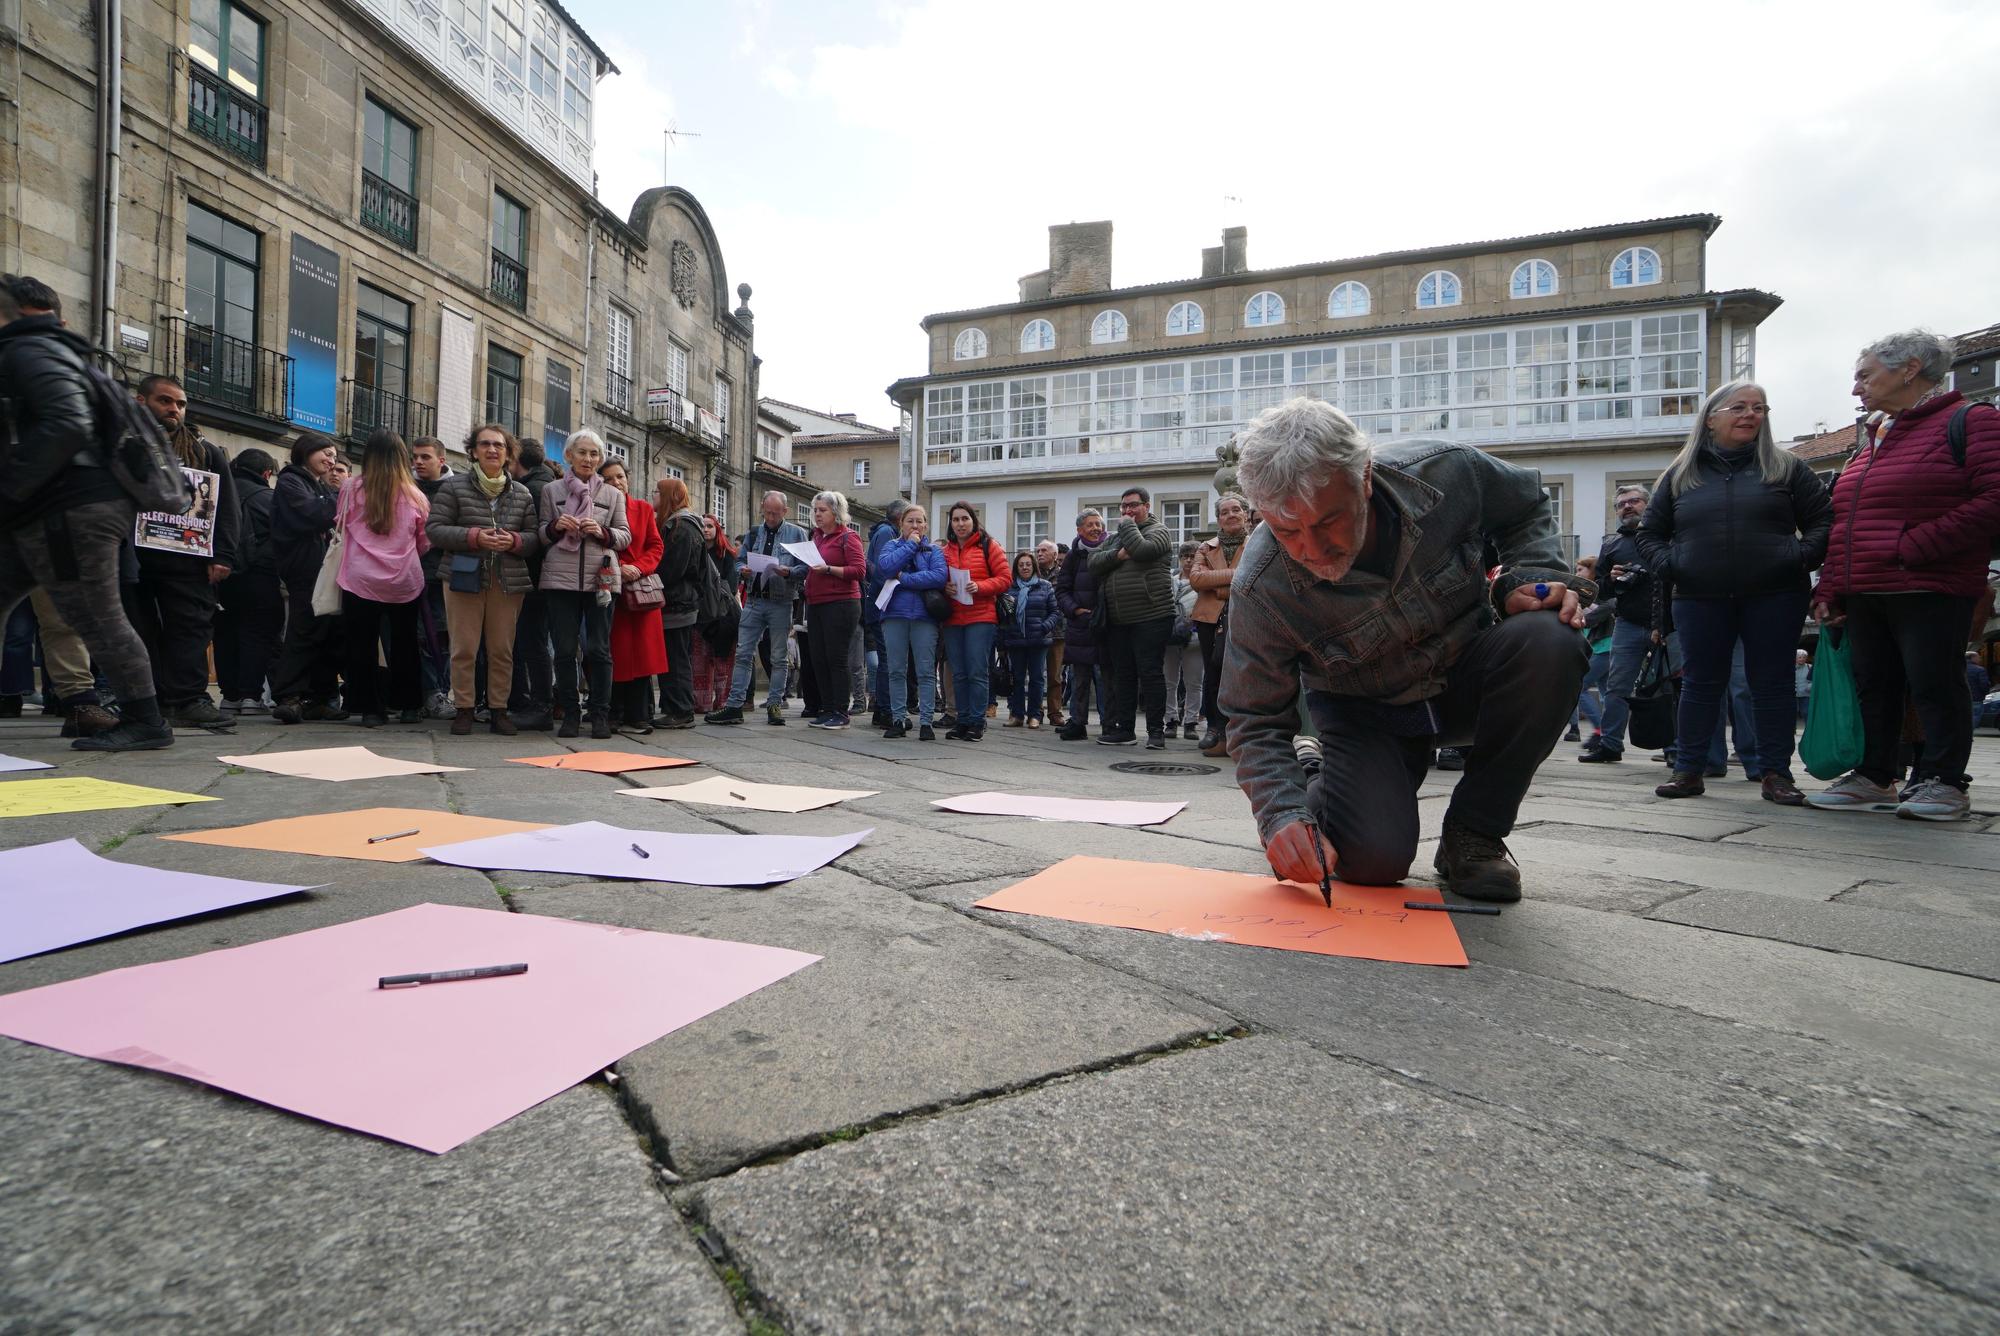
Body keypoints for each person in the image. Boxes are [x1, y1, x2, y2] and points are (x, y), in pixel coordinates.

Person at [1222, 398, 1589, 904]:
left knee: (1551, 640)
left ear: (1365, 477)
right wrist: (1280, 813)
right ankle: (1315, 775)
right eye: (1286, 531)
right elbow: (1252, 715)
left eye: (1329, 520)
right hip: (1367, 717)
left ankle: (1475, 834)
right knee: (1373, 862)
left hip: (1468, 678)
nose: (1311, 548)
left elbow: (1525, 504)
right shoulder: (1261, 587)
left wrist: (1528, 578)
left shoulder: (1446, 472)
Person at [1808, 330, 2000, 821]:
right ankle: (1876, 774)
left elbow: (1994, 499)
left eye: (1865, 376)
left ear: (1910, 369)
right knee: (1874, 683)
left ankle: (1944, 781)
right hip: (1867, 588)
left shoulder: (1971, 421)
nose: (1857, 389)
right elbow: (1846, 523)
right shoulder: (1871, 440)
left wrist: (1912, 546)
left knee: (1935, 681)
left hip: (1929, 583)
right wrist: (1831, 588)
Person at [1637, 381, 1831, 805]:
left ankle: (1775, 773)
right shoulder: (1680, 473)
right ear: (1711, 418)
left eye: (1759, 407)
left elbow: (1823, 521)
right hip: (1698, 595)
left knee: (1772, 684)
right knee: (1700, 684)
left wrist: (1797, 556)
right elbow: (1649, 534)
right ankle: (1689, 769)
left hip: (1776, 592)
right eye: (1739, 407)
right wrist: (1673, 565)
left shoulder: (1787, 467)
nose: (1751, 415)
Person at [0, 272, 172, 750]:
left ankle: (147, 721)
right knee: (91, 614)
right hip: (52, 507)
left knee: (96, 615)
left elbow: (66, 423)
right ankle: (145, 718)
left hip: (68, 508)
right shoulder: (52, 350)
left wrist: (11, 490)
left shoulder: (30, 350)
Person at [125, 374, 240, 728]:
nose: (174, 409)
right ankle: (151, 700)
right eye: (165, 401)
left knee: (190, 629)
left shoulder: (204, 452)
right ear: (142, 402)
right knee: (137, 629)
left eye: (180, 404)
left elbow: (227, 506)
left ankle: (190, 699)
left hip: (189, 558)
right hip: (132, 558)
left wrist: (223, 555)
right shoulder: (122, 445)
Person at [427, 423, 537, 736]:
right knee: (464, 648)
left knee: (502, 650)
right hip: (463, 579)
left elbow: (533, 538)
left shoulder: (523, 493)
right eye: (485, 444)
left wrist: (513, 542)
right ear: (473, 451)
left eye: (498, 446)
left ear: (508, 454)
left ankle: (499, 710)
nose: (492, 450)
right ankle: (463, 708)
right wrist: (475, 537)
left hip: (507, 581)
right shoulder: (454, 487)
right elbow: (435, 530)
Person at [536, 429, 629, 739]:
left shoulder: (613, 494)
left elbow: (624, 536)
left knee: (599, 650)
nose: (588, 459)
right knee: (563, 651)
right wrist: (554, 526)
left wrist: (602, 533)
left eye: (594, 454)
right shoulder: (551, 490)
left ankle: (600, 714)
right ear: (568, 456)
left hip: (600, 580)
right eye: (583, 452)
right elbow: (540, 535)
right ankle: (570, 715)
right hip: (559, 580)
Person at [335, 430, 430, 728]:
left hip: (359, 577)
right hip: (404, 578)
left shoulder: (351, 488)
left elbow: (340, 526)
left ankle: (369, 708)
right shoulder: (415, 495)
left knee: (361, 644)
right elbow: (424, 540)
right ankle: (409, 705)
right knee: (405, 643)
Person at [708, 491, 807, 726]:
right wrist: (742, 569)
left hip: (781, 601)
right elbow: (738, 561)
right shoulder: (754, 532)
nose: (770, 517)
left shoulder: (796, 533)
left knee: (778, 657)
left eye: (775, 513)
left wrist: (789, 571)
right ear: (762, 508)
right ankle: (734, 705)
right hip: (754, 599)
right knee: (743, 653)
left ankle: (774, 704)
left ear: (785, 511)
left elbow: (806, 568)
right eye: (767, 512)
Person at [1088, 486, 1176, 748]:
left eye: (1133, 505)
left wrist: (1126, 527)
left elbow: (1142, 550)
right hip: (1119, 619)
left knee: (1150, 673)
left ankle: (1156, 732)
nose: (1127, 511)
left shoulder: (1159, 531)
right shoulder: (1116, 539)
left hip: (1152, 615)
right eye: (1123, 507)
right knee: (1123, 676)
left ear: (1147, 506)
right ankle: (1124, 730)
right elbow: (1093, 562)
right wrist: (1117, 554)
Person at [269, 432, 346, 724]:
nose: (331, 460)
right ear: (306, 452)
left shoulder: (317, 485)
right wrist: (344, 497)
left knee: (325, 630)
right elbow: (314, 514)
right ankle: (290, 695)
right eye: (326, 453)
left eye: (334, 456)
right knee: (304, 628)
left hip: (321, 568)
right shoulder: (292, 482)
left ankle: (319, 696)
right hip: (304, 568)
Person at [214, 447, 282, 714]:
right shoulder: (269, 498)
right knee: (258, 634)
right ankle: (250, 696)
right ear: (266, 473)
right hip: (260, 577)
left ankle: (229, 696)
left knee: (225, 633)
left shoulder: (218, 493)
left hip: (222, 575)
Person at [873, 504, 947, 739]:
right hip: (895, 615)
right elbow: (885, 568)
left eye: (919, 522)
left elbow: (938, 576)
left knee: (926, 671)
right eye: (910, 521)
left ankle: (926, 722)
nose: (915, 526)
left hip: (924, 617)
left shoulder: (934, 551)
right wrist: (911, 545)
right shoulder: (891, 546)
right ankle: (898, 718)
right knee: (896, 669)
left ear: (926, 525)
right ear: (901, 524)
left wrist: (904, 578)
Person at [940, 501, 1011, 741]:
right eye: (956, 519)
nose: (960, 524)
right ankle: (963, 719)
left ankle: (977, 722)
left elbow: (1005, 579)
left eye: (965, 519)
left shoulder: (989, 545)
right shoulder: (946, 550)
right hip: (953, 618)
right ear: (950, 523)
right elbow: (937, 577)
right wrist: (944, 587)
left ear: (973, 521)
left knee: (977, 671)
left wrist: (979, 586)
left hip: (981, 616)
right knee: (958, 673)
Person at [1189, 492, 1250, 756]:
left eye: (1236, 509)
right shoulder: (1206, 547)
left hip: (1244, 617)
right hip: (1208, 618)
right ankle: (1214, 727)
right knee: (1212, 672)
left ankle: (1239, 730)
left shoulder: (1256, 542)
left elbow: (1255, 577)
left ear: (1245, 514)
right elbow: (1197, 580)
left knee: (1239, 674)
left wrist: (1220, 586)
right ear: (1218, 519)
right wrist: (1234, 578)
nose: (1231, 515)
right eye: (1225, 512)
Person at [800, 490, 865, 729]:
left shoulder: (848, 537)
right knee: (819, 658)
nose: (817, 514)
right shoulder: (817, 538)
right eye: (815, 510)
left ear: (836, 512)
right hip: (816, 603)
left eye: (822, 510)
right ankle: (827, 709)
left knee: (836, 658)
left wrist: (828, 569)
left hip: (841, 604)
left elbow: (859, 571)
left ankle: (840, 711)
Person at [507, 438, 559, 728]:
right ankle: (538, 703)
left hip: (534, 577)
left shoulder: (533, 490)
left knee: (532, 643)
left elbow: (536, 537)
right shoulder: (548, 483)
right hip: (543, 578)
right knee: (536, 643)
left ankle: (540, 706)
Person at [408, 436, 456, 720]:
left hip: (443, 573)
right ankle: (426, 692)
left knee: (440, 636)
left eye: (425, 457)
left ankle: (439, 691)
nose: (418, 462)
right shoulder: (406, 487)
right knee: (418, 637)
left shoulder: (456, 488)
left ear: (441, 460)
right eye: (415, 457)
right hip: (409, 573)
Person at [648, 474, 702, 729]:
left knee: (676, 658)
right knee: (671, 657)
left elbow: (672, 570)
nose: (653, 497)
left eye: (658, 492)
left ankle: (681, 711)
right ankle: (673, 707)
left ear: (670, 496)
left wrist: (647, 575)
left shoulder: (683, 526)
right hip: (675, 603)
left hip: (678, 604)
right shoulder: (675, 524)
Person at [1054, 509, 1107, 741]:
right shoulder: (1074, 556)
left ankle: (1109, 722)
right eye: (1090, 524)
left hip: (1106, 624)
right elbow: (1062, 590)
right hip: (1080, 624)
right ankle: (1077, 722)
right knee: (1080, 677)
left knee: (1106, 677)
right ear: (1079, 530)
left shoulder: (1111, 550)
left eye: (1098, 524)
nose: (1095, 528)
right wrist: (1074, 609)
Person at [861, 498, 914, 726]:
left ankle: (882, 710)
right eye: (909, 520)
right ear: (900, 519)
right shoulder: (886, 533)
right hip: (882, 604)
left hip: (880, 603)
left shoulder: (883, 531)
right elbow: (882, 569)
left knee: (887, 659)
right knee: (887, 659)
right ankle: (884, 710)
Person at [999, 550, 1059, 728]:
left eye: (1028, 564)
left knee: (1037, 678)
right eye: (1021, 564)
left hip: (1038, 640)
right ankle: (1017, 714)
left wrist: (1044, 627)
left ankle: (1035, 715)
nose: (1025, 567)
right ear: (1016, 568)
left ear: (1033, 567)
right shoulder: (1009, 588)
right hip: (1016, 639)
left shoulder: (1045, 586)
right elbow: (1003, 616)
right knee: (1016, 678)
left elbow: (1055, 612)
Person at [689, 515, 740, 714]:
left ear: (717, 529)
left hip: (723, 615)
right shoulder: (695, 551)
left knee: (722, 662)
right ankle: (701, 703)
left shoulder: (727, 555)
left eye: (710, 526)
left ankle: (722, 702)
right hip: (700, 615)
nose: (706, 530)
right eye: (703, 526)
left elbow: (732, 585)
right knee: (699, 661)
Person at [1163, 542, 1206, 741]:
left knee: (1194, 683)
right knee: (1168, 681)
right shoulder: (1169, 581)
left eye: (1192, 556)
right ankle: (1170, 721)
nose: (1188, 560)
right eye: (1185, 556)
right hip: (1171, 636)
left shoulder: (1203, 582)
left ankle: (1190, 723)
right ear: (1179, 559)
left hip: (1195, 637)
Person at [1034, 540, 1067, 727]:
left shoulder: (1063, 575)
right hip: (1036, 630)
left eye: (1044, 550)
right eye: (1037, 550)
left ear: (1055, 555)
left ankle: (1055, 712)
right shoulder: (1033, 574)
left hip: (1057, 631)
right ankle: (1035, 711)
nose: (1039, 553)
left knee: (1055, 675)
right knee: (1036, 674)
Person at [1795, 649, 1812, 726]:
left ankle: (1808, 729)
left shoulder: (1809, 667)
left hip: (1806, 694)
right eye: (1800, 657)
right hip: (1794, 694)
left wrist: (1810, 685)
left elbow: (1814, 679)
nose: (1802, 659)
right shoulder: (1791, 668)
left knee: (1806, 712)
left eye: (1804, 657)